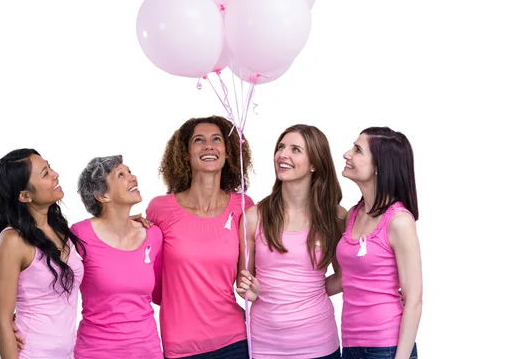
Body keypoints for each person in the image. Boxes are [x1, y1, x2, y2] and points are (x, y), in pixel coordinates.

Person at [146, 115, 254, 358]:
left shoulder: (243, 206)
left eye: (217, 139)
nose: (209, 145)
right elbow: (148, 275)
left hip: (235, 340)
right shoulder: (160, 209)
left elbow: (249, 273)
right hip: (181, 345)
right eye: (199, 140)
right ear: (185, 154)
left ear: (228, 153)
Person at [236, 124, 346, 359]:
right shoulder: (254, 216)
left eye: (296, 149)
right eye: (281, 147)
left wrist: (310, 291)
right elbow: (244, 280)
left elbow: (344, 275)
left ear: (315, 163)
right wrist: (251, 289)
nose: (283, 154)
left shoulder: (335, 216)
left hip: (320, 346)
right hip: (265, 347)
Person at [336, 127, 422, 359]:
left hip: (386, 348)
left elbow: (413, 299)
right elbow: (346, 280)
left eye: (357, 150)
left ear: (379, 167)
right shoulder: (353, 214)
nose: (346, 154)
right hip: (351, 345)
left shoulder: (399, 221)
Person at [0, 148, 84, 359]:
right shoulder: (12, 241)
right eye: (45, 173)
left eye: (49, 167)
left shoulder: (62, 231)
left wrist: (126, 223)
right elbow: (2, 320)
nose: (55, 174)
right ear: (24, 195)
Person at [70, 155, 163, 358]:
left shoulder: (154, 235)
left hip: (148, 351)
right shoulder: (80, 235)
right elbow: (52, 279)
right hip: (96, 351)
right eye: (121, 174)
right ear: (102, 196)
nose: (133, 177)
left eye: (130, 171)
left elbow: (160, 294)